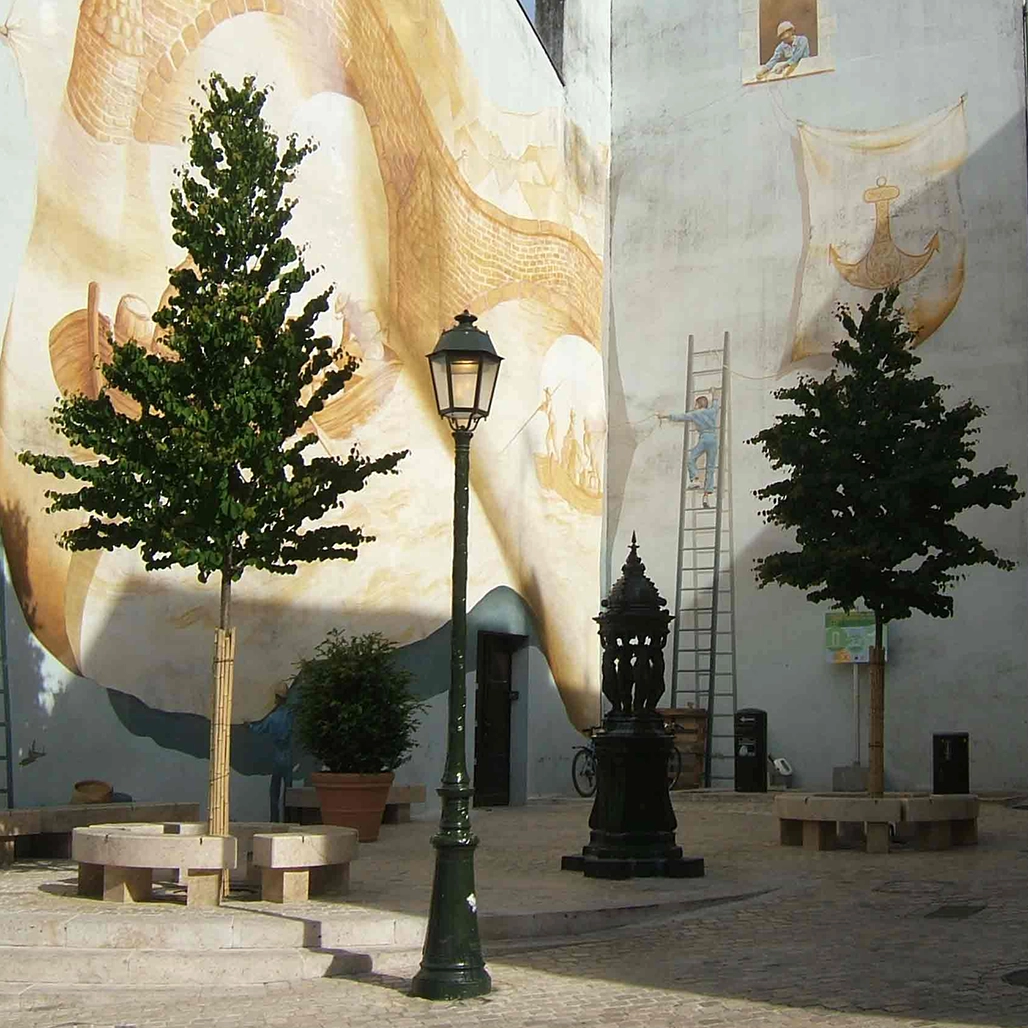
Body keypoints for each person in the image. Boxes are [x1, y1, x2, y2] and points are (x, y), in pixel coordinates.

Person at [659, 391, 721, 508]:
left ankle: (695, 479)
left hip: (704, 438)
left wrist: (665, 416)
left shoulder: (695, 413)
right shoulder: (711, 411)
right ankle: (706, 495)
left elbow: (680, 417)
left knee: (691, 458)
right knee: (711, 467)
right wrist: (714, 395)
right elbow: (716, 406)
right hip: (713, 439)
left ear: (698, 404)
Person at [246, 691, 296, 822]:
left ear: (277, 699)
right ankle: (288, 819)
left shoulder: (273, 718)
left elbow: (259, 729)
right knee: (288, 790)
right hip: (288, 756)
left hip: (277, 756)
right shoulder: (291, 715)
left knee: (274, 790)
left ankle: (274, 819)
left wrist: (248, 724)